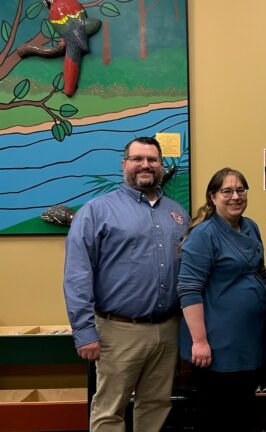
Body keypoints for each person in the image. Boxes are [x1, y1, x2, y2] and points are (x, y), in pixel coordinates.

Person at [63, 136, 189, 431]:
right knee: (110, 410)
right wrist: (84, 331)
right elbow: (77, 273)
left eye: (152, 160)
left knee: (156, 405)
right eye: (137, 159)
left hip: (168, 329)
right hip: (118, 331)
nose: (145, 165)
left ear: (161, 166)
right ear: (124, 164)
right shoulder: (96, 211)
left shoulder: (177, 213)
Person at [177, 168, 266, 432]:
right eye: (227, 191)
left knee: (245, 414)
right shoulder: (204, 234)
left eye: (241, 190)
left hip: (248, 340)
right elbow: (189, 289)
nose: (235, 197)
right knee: (216, 417)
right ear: (213, 196)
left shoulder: (251, 227)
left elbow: (259, 271)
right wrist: (199, 341)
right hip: (216, 345)